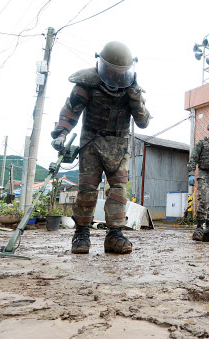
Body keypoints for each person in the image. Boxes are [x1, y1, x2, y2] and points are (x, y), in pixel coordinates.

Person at [50, 41, 151, 254]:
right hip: (91, 143)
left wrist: (136, 99)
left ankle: (114, 235)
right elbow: (71, 110)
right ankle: (81, 234)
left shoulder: (132, 88)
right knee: (87, 189)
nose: (116, 77)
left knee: (118, 191)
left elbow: (143, 122)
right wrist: (61, 134)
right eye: (112, 71)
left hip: (119, 145)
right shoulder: (87, 83)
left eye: (121, 72)